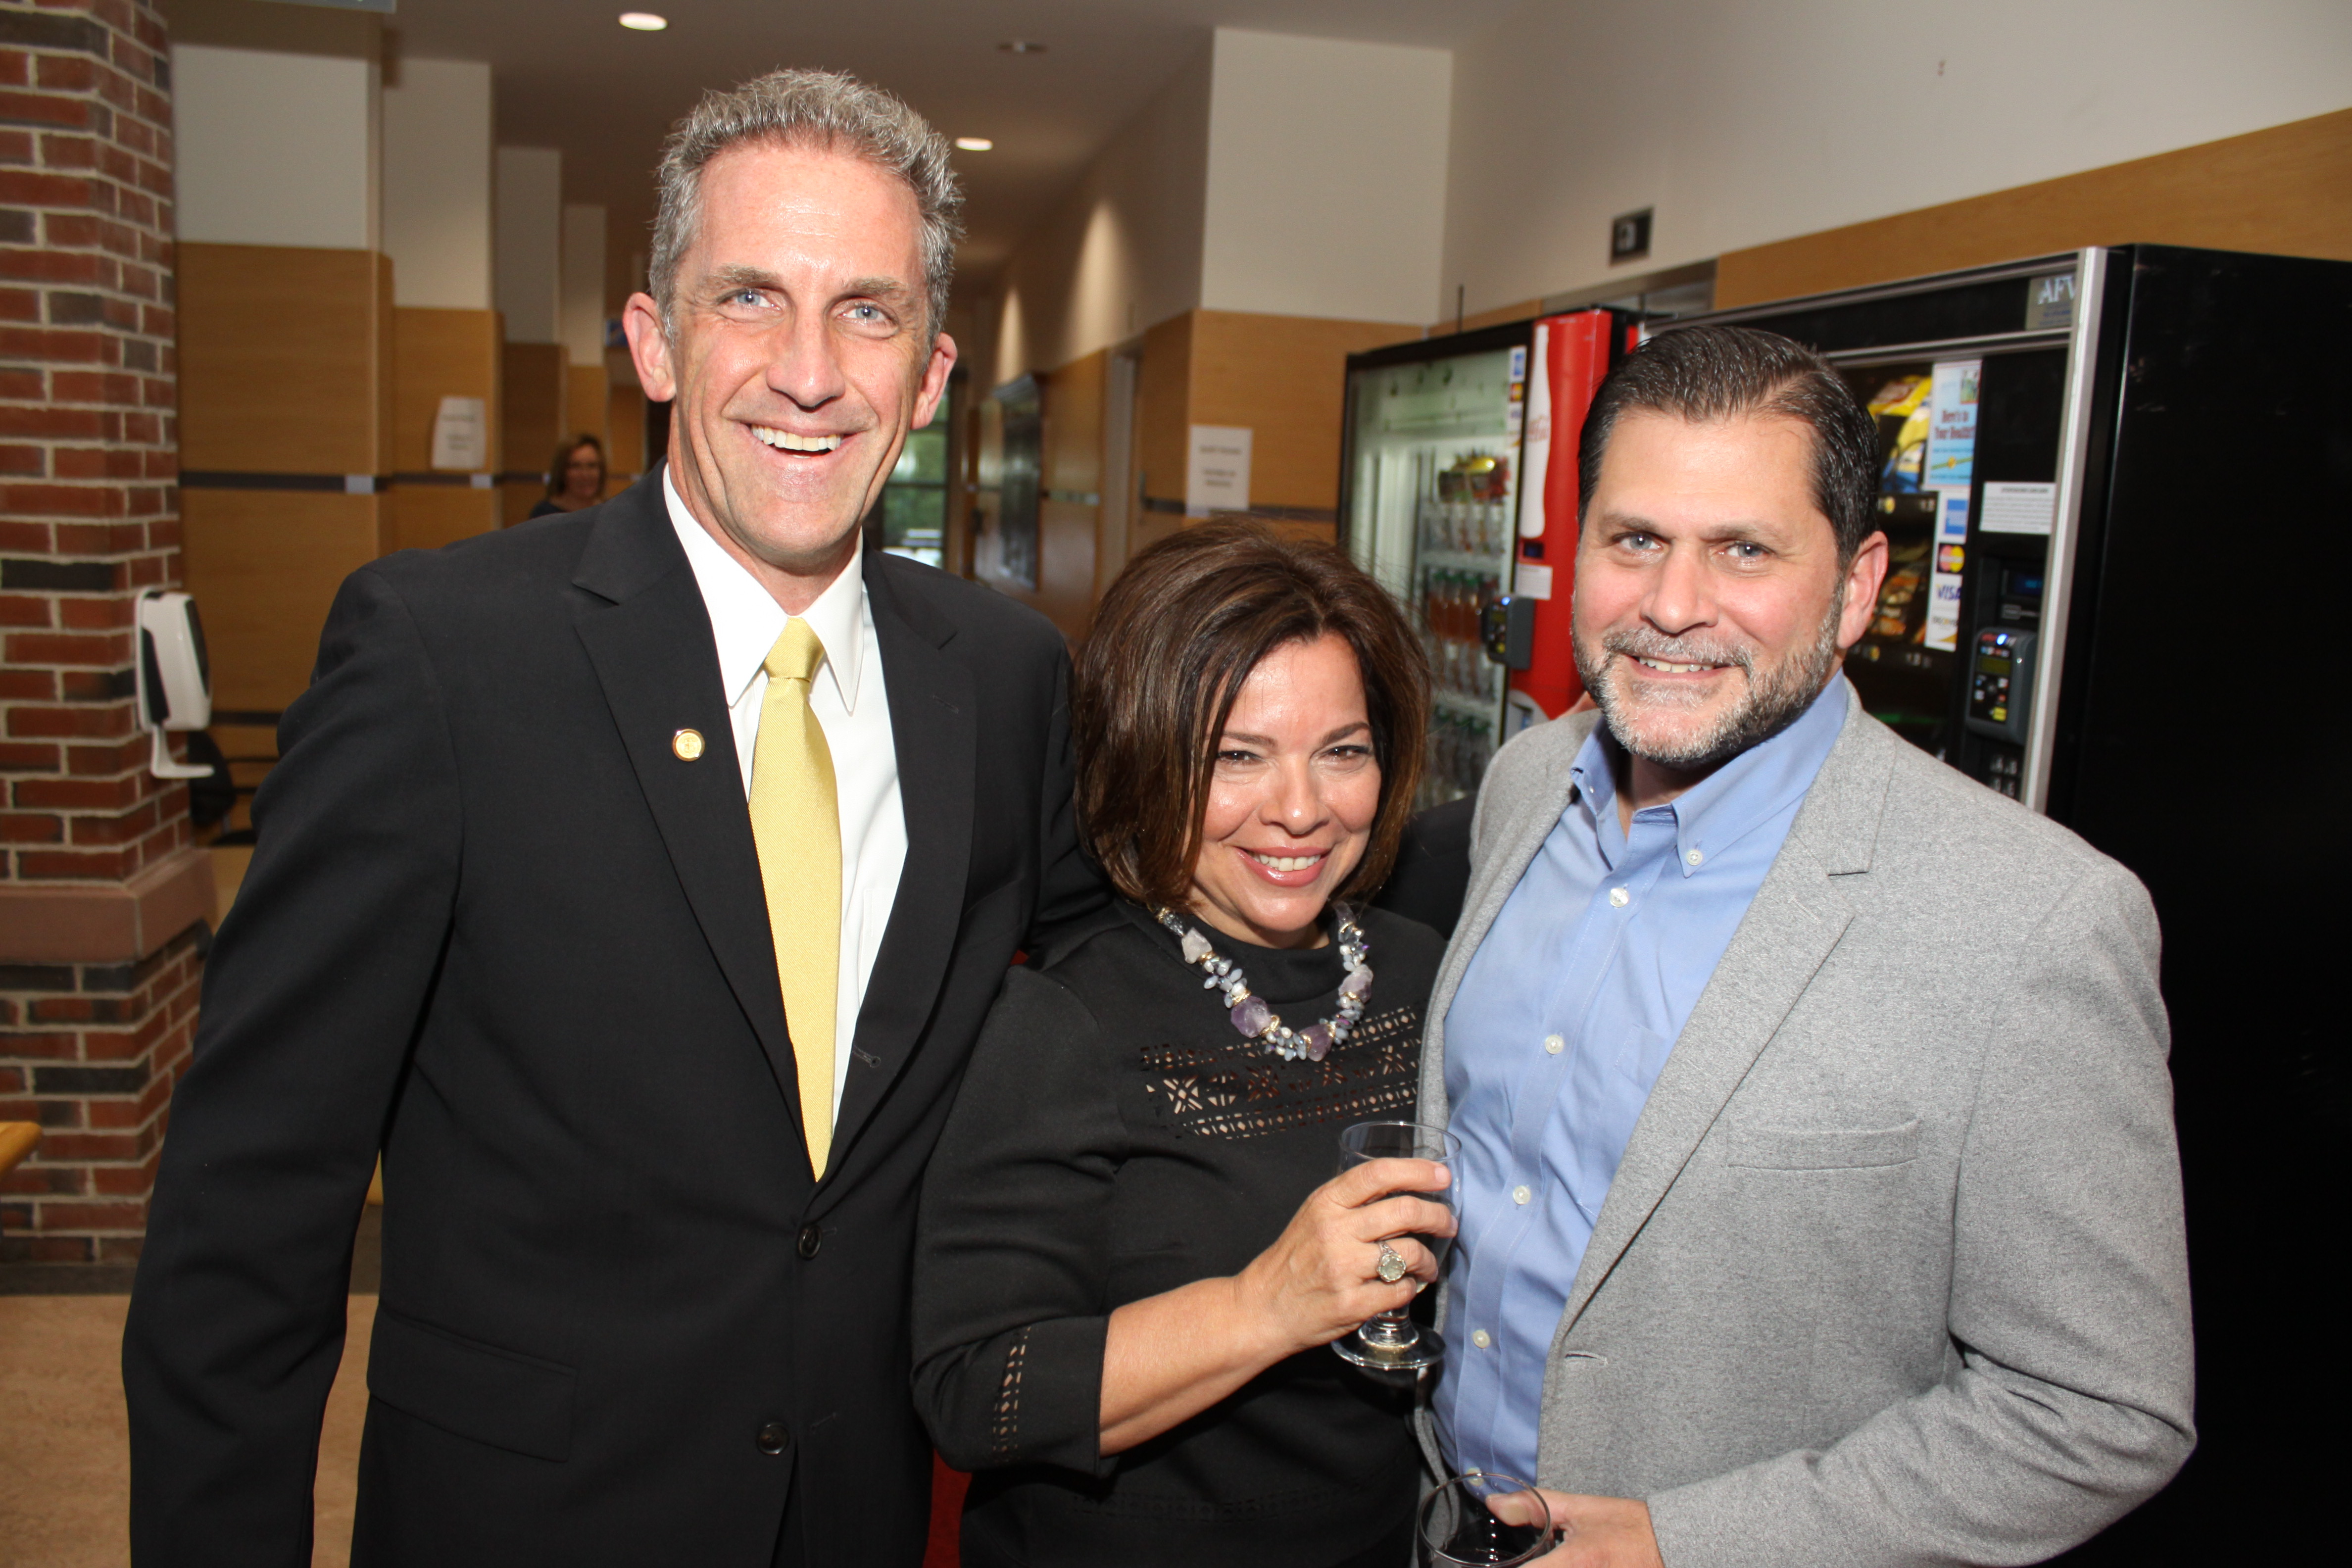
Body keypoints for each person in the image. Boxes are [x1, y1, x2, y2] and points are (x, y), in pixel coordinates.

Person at [123, 70, 1099, 1567]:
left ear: (930, 374)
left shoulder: (1008, 679)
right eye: (749, 298)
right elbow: (249, 1212)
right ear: (653, 340)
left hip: (854, 1515)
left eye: (868, 312)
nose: (809, 372)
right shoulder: (444, 658)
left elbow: (1123, 993)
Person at [1421, 325, 2194, 1567]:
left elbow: (2098, 1409)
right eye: (1634, 540)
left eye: (1743, 549)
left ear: (1856, 586)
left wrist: (1683, 1544)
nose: (1673, 606)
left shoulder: (2034, 921)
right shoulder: (1526, 783)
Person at [913, 521, 1451, 1568]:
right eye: (1236, 757)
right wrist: (1263, 1307)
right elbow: (977, 1390)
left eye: (1342, 752)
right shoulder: (1066, 1015)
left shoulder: (1429, 970)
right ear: (1148, 759)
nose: (1300, 810)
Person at [530, 432, 608, 516]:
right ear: (562, 471)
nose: (585, 475)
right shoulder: (545, 513)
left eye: (592, 466)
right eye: (576, 466)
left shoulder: (610, 511)